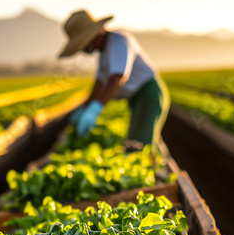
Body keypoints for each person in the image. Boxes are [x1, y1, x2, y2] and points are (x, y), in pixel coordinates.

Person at [58, 10, 169, 151]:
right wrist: (84, 108)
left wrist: (95, 109)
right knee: (135, 140)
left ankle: (154, 170)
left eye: (84, 44)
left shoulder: (118, 41)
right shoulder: (104, 53)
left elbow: (117, 78)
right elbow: (99, 84)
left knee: (141, 145)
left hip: (148, 93)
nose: (84, 49)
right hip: (137, 99)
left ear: (95, 34)